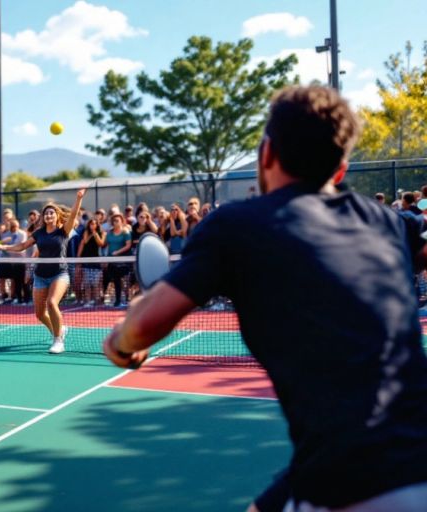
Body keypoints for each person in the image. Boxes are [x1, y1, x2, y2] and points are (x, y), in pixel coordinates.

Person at [102, 85, 427, 511]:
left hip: (358, 480)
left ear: (266, 153)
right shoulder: (386, 220)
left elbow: (146, 323)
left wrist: (121, 342)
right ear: (342, 170)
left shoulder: (237, 226)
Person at [0, 188, 86, 354]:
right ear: (43, 218)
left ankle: (58, 340)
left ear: (57, 216)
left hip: (60, 274)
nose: (49, 216)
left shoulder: (63, 231)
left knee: (52, 303)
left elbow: (73, 215)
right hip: (40, 275)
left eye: (52, 213)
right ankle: (59, 330)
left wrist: (78, 198)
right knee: (39, 314)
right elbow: (22, 246)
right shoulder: (39, 233)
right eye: (46, 214)